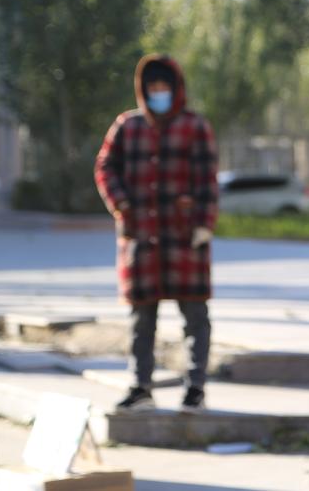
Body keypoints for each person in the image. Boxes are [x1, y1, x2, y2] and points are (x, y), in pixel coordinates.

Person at [94, 55, 218, 413]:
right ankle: (140, 387)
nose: (159, 93)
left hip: (185, 237)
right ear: (143, 90)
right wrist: (121, 204)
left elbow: (208, 180)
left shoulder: (195, 126)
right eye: (153, 88)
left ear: (176, 89)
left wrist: (204, 224)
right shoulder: (127, 126)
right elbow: (104, 166)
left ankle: (195, 388)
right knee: (141, 320)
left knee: (195, 317)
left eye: (165, 87)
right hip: (141, 235)